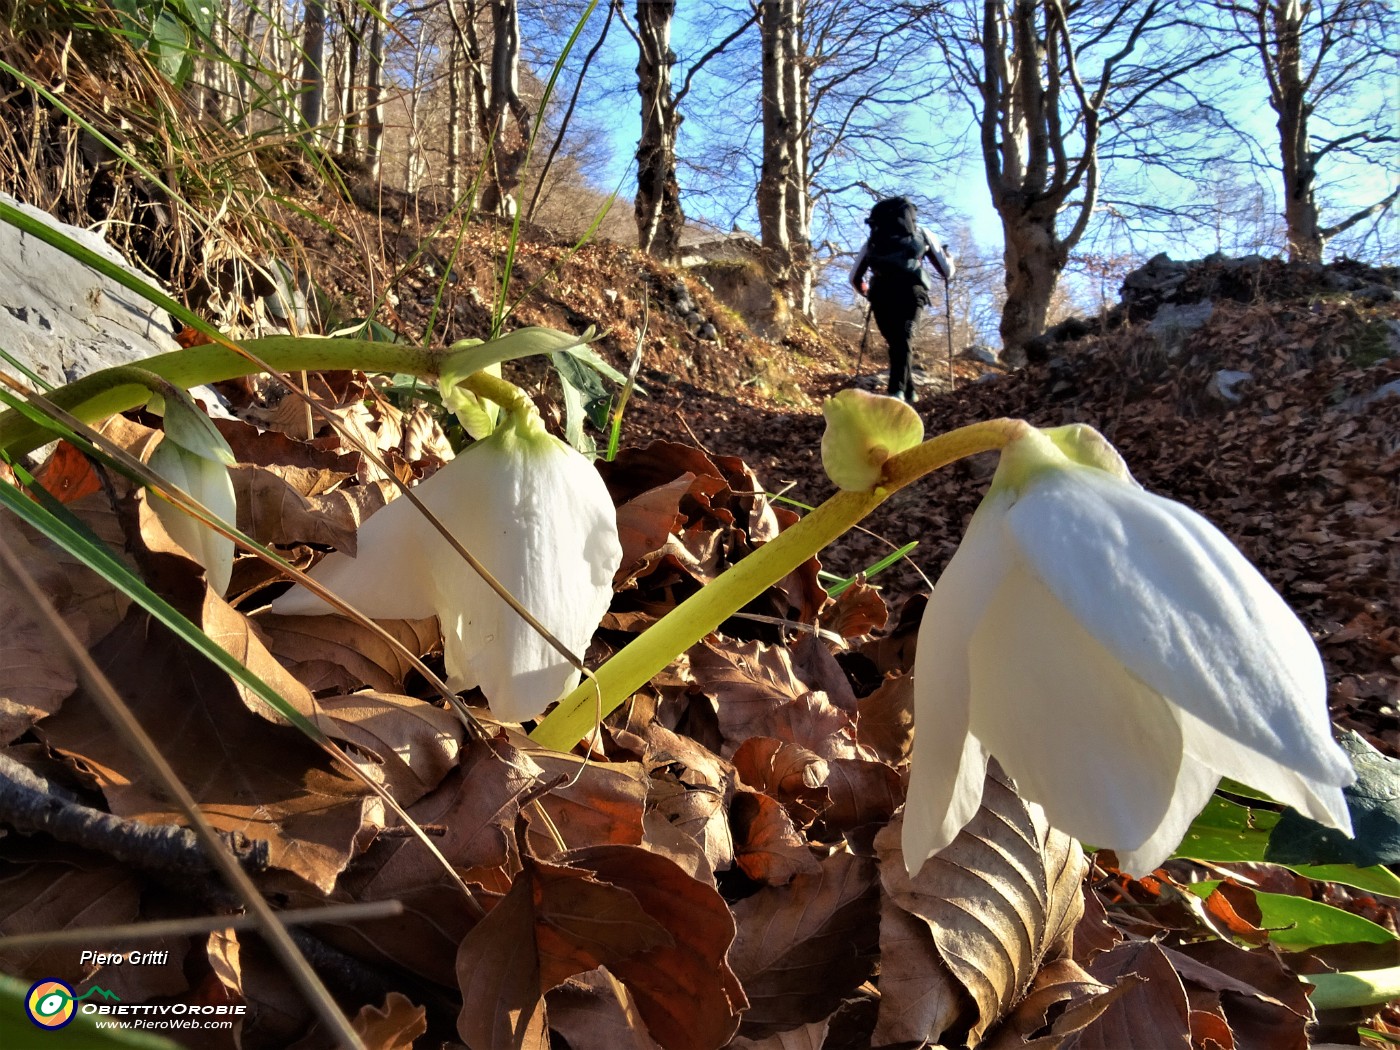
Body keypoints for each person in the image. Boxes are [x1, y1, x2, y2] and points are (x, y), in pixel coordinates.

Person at [849, 197, 955, 404]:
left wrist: (867, 292)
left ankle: (908, 392)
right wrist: (949, 257)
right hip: (912, 291)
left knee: (898, 343)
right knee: (904, 341)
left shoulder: (873, 240)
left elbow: (854, 277)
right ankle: (897, 394)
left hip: (881, 295)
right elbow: (947, 271)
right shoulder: (922, 234)